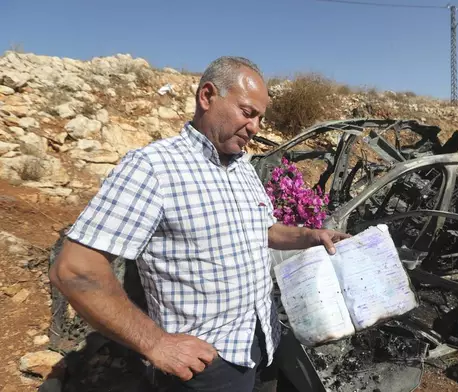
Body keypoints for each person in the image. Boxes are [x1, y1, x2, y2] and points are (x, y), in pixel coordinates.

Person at [49, 56, 349, 392]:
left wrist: (310, 235)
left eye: (260, 118)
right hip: (206, 365)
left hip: (263, 341)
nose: (255, 128)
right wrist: (156, 344)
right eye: (247, 113)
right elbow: (75, 270)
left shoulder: (241, 167)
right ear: (207, 96)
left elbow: (264, 230)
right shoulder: (153, 168)